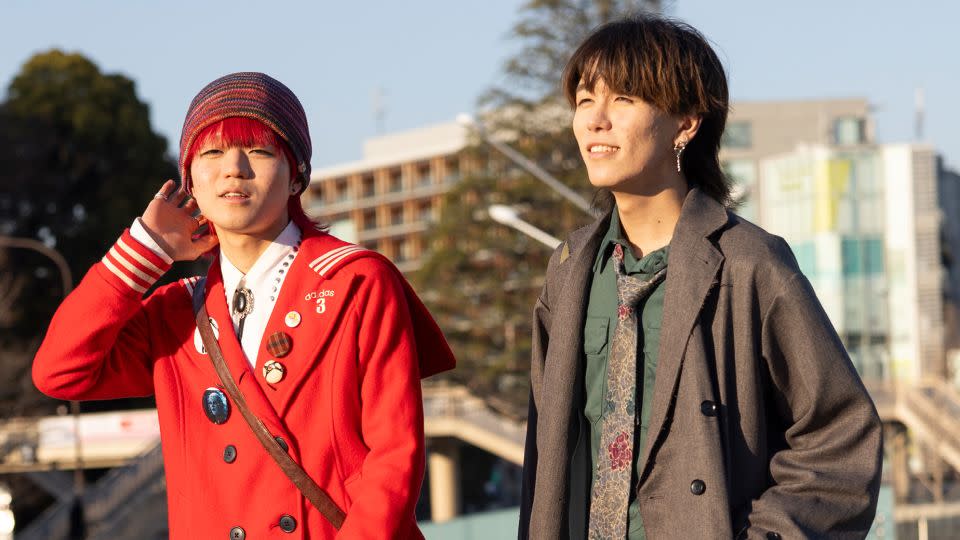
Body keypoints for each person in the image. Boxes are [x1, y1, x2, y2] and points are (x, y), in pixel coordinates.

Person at [33, 72, 455, 539]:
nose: (233, 168)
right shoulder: (174, 312)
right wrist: (143, 250)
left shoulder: (355, 282)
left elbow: (394, 454)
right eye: (211, 153)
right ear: (188, 179)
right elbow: (60, 372)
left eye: (259, 151)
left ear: (297, 174)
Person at [519, 15, 882, 540]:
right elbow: (542, 457)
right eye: (583, 100)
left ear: (686, 123)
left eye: (623, 99)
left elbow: (841, 434)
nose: (595, 120)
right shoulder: (568, 270)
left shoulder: (749, 262)